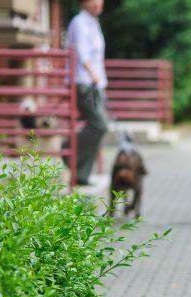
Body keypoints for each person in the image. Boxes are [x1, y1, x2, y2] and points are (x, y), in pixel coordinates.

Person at [67, 0, 107, 185]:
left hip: (96, 85)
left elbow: (97, 56)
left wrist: (100, 80)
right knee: (99, 126)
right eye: (93, 0)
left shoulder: (94, 22)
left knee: (98, 128)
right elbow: (82, 54)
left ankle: (82, 174)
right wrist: (93, 74)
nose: (98, 3)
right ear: (83, 2)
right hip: (83, 83)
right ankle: (67, 148)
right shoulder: (79, 22)